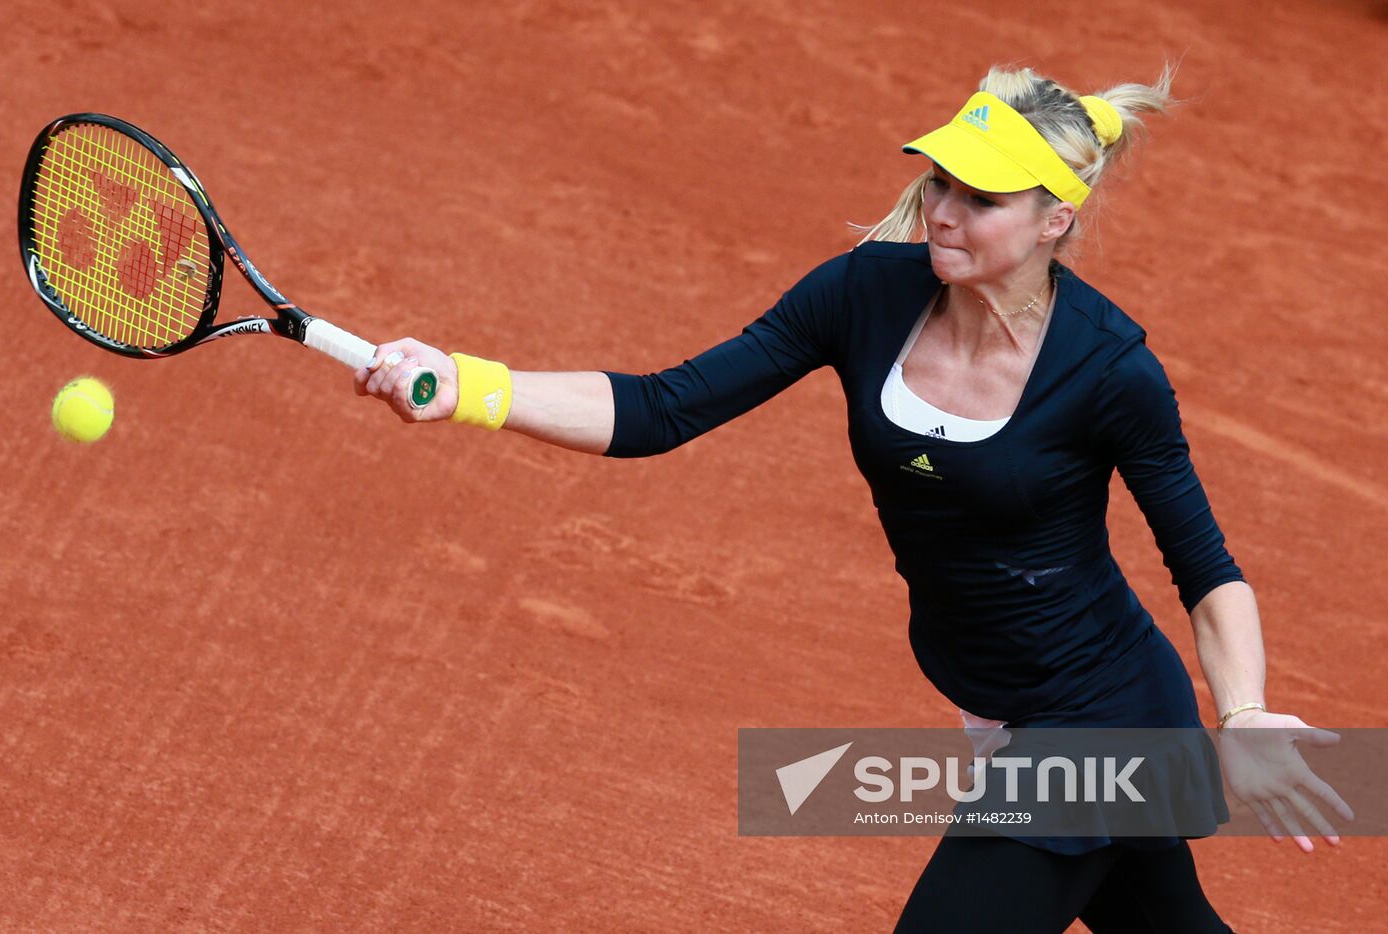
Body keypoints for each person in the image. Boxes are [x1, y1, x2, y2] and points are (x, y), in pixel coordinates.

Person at [355, 66, 1350, 932]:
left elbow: (1202, 566)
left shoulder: (1106, 371)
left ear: (1054, 219)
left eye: (981, 198)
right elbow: (661, 407)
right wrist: (472, 388)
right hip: (996, 706)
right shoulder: (862, 295)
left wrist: (1248, 710)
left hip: (1102, 720)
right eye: (939, 181)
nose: (943, 211)